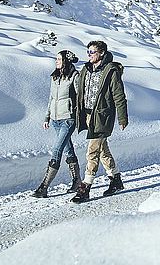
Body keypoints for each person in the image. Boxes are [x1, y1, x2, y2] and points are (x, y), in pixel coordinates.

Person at [71, 40, 128, 203]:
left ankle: (85, 187)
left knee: (92, 151)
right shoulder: (86, 69)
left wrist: (122, 117)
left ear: (101, 53)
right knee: (103, 150)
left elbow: (119, 95)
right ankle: (115, 180)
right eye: (88, 52)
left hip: (102, 116)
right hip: (88, 115)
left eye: (92, 52)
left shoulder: (111, 71)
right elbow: (78, 88)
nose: (89, 55)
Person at [33, 50, 81, 198]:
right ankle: (77, 181)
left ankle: (44, 186)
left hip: (68, 119)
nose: (57, 61)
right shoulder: (55, 76)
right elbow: (51, 98)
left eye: (59, 59)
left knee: (57, 150)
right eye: (56, 59)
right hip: (55, 120)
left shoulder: (75, 76)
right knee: (68, 150)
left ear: (66, 60)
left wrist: (80, 116)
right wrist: (47, 117)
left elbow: (80, 98)